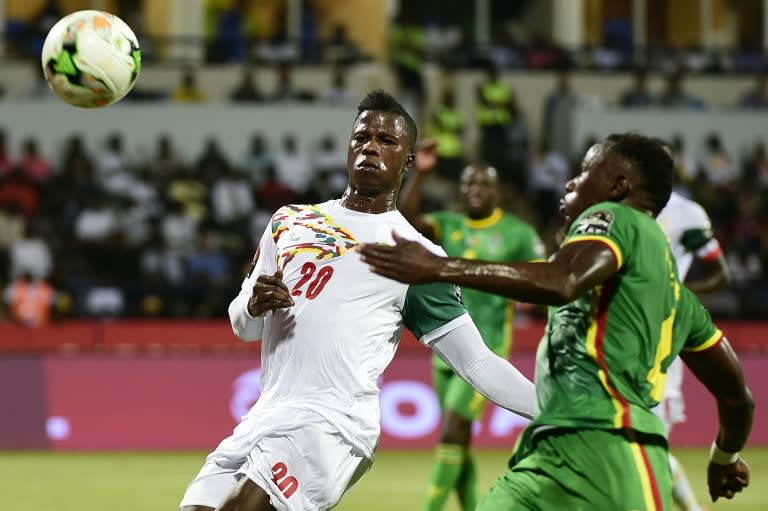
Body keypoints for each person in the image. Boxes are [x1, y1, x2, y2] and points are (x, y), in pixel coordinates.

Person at [178, 89, 536, 511]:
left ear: (407, 161)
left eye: (387, 141)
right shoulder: (290, 221)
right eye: (362, 136)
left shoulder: (415, 256)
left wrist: (556, 411)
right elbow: (243, 326)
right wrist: (253, 305)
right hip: (264, 417)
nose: (370, 146)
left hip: (333, 425)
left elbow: (476, 362)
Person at [359, 133, 754, 509]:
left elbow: (561, 281)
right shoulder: (679, 300)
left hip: (612, 449)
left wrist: (441, 268)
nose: (571, 181)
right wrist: (725, 457)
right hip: (545, 450)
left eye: (585, 171)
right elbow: (736, 397)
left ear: (616, 186)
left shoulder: (614, 216)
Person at [399, 140, 544, 511]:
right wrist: (421, 174)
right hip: (444, 350)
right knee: (457, 442)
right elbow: (406, 223)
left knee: (453, 430)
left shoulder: (517, 232)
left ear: (496, 192)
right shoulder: (448, 225)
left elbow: (544, 275)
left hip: (488, 349)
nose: (474, 191)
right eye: (468, 185)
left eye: (482, 185)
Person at [655, 178, 732, 511]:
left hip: (665, 340)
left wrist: (678, 297)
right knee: (632, 443)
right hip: (618, 337)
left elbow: (721, 273)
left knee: (650, 443)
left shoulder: (686, 213)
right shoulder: (615, 211)